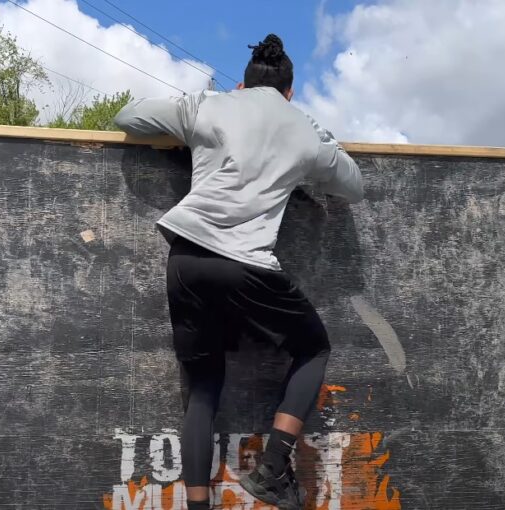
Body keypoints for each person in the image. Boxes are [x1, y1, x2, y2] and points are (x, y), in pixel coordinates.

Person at [114, 33, 363, 510]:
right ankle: (271, 470)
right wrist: (318, 137)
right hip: (246, 265)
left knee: (204, 386)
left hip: (186, 258)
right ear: (290, 92)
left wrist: (191, 113)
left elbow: (128, 118)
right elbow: (354, 185)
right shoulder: (303, 128)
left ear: (243, 85)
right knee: (314, 348)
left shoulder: (210, 105)